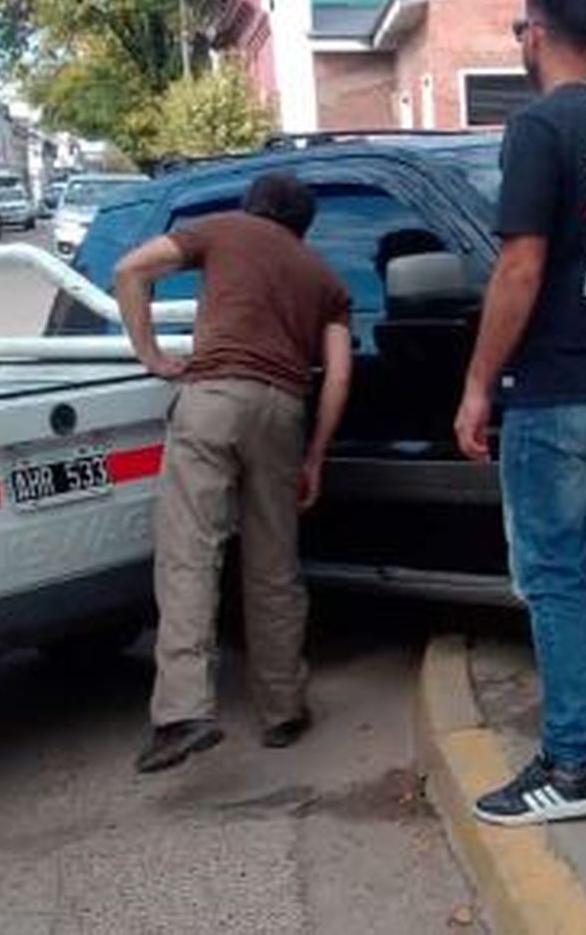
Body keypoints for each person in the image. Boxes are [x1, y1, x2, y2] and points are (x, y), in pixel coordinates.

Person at [455, 0, 586, 826]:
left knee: (554, 574)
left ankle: (571, 766)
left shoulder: (539, 127)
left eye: (517, 28)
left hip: (558, 390)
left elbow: (521, 265)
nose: (518, 41)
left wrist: (475, 386)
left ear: (537, 31)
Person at [116, 172, 353, 774]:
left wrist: (151, 356)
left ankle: (184, 713)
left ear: (254, 208)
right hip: (283, 412)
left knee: (190, 554)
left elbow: (130, 270)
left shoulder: (225, 231)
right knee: (274, 564)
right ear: (303, 224)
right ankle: (283, 708)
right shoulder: (323, 277)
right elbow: (340, 377)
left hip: (214, 397)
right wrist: (315, 455)